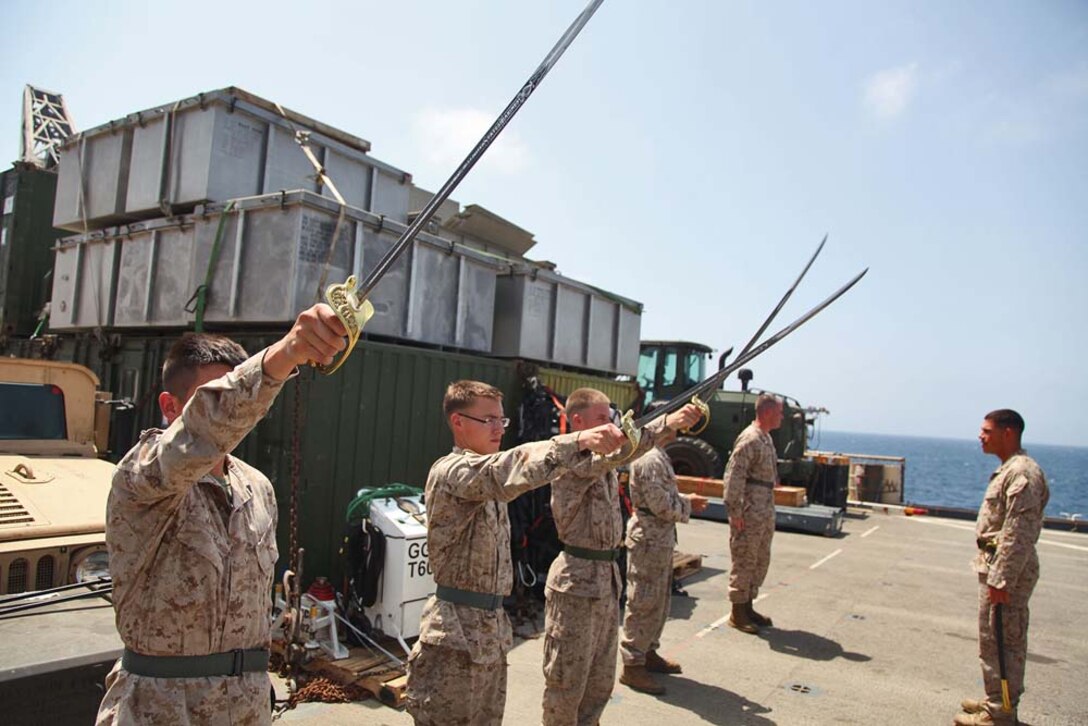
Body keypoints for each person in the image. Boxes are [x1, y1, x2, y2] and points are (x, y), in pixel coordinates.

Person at [96, 304, 348, 725]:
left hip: (246, 705)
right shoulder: (142, 475)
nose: (233, 410)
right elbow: (202, 431)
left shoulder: (256, 487)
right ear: (171, 406)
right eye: (211, 398)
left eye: (235, 393)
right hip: (165, 708)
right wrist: (285, 354)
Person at [405, 380, 628, 726]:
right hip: (456, 633)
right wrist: (579, 440)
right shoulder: (452, 471)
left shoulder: (485, 474)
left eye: (501, 420)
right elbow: (506, 470)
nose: (498, 428)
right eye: (488, 420)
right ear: (458, 422)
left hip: (490, 629)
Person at [541, 388, 701, 726]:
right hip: (577, 580)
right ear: (578, 421)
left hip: (604, 576)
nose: (610, 425)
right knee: (567, 679)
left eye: (610, 418)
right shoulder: (570, 458)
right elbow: (621, 452)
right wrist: (668, 422)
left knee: (599, 678)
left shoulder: (601, 460)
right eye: (602, 419)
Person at [955, 409, 1049, 726]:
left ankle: (1001, 713)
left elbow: (1018, 532)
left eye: (986, 431)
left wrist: (1002, 578)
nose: (980, 436)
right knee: (993, 638)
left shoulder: (1022, 473)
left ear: (1007, 433)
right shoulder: (1010, 469)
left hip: (1006, 571)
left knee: (1005, 641)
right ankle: (995, 700)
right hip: (996, 566)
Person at [618, 429, 709, 695]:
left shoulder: (658, 455)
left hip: (659, 539)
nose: (679, 428)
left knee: (658, 601)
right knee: (643, 601)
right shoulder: (649, 458)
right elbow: (660, 505)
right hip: (648, 539)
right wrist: (688, 505)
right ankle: (633, 665)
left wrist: (685, 500)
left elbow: (662, 497)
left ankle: (647, 652)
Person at [723, 393, 783, 634]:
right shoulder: (750, 439)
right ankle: (737, 612)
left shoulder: (765, 438)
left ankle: (747, 606)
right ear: (767, 412)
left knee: (759, 558)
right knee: (745, 558)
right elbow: (734, 476)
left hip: (763, 509)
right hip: (749, 511)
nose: (781, 417)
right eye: (779, 413)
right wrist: (735, 511)